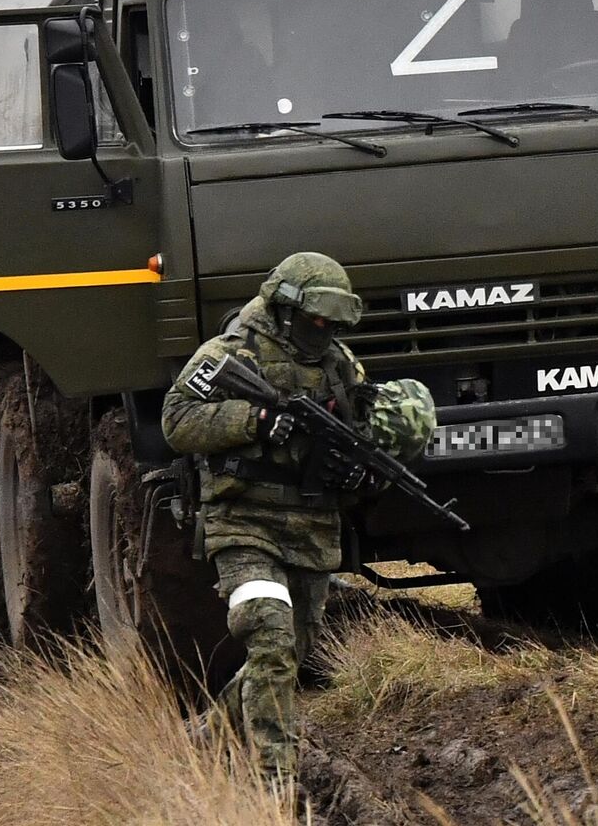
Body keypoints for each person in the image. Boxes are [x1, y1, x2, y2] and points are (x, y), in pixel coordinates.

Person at [161, 251, 436, 785]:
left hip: (311, 525)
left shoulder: (341, 365)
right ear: (285, 309)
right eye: (316, 321)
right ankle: (275, 785)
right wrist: (255, 420)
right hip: (242, 521)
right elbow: (177, 421)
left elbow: (359, 434)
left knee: (293, 651)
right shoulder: (228, 354)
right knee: (271, 640)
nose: (324, 331)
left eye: (333, 323)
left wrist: (362, 471)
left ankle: (208, 736)